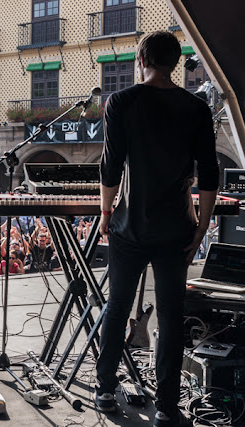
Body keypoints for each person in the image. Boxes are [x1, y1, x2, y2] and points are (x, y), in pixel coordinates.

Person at [95, 32, 218, 427]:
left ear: (142, 60)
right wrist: (201, 226)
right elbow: (210, 174)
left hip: (130, 225)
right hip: (176, 229)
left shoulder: (121, 102)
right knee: (170, 314)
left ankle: (104, 390)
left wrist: (104, 211)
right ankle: (167, 406)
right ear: (175, 63)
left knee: (116, 308)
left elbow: (111, 167)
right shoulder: (196, 107)